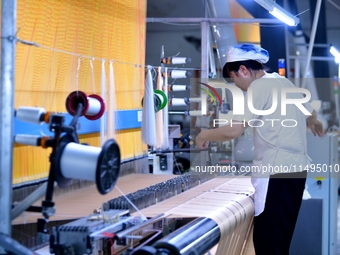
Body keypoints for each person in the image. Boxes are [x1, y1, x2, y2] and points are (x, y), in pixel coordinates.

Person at [195, 43, 324, 255]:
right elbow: (310, 113)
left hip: (276, 174)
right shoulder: (283, 81)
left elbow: (233, 131)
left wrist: (204, 134)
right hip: (296, 172)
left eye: (234, 78)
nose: (236, 85)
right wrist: (316, 123)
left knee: (268, 244)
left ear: (243, 70)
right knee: (280, 241)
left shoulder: (259, 87)